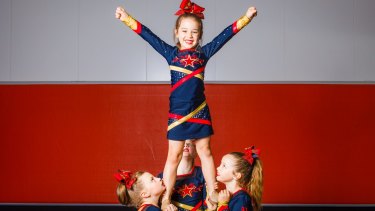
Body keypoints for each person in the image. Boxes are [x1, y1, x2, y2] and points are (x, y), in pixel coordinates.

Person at [115, 0, 258, 209]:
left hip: (200, 110)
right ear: (176, 32)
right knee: (173, 157)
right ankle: (166, 199)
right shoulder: (171, 54)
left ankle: (211, 193)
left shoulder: (203, 54)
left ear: (200, 35)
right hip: (178, 114)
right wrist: (127, 19)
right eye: (184, 31)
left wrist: (245, 18)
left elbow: (225, 36)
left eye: (194, 32)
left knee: (206, 152)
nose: (189, 36)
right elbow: (148, 36)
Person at [158, 140, 217, 211]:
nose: (185, 145)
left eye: (189, 144)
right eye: (182, 143)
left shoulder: (204, 173)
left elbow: (208, 203)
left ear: (197, 150)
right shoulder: (162, 176)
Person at [216, 146, 263, 211]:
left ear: (237, 175)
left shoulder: (242, 199)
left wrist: (222, 204)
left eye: (224, 166)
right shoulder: (226, 196)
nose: (218, 168)